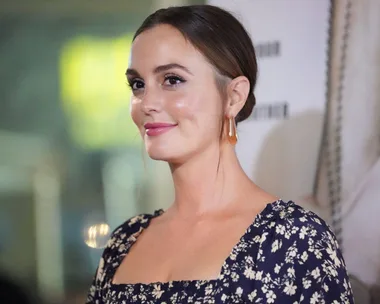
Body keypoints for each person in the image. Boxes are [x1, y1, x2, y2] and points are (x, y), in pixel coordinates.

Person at [86, 4, 354, 303]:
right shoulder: (124, 241)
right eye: (138, 84)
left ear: (234, 97)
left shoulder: (294, 239)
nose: (147, 102)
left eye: (172, 80)